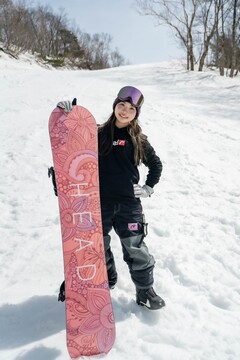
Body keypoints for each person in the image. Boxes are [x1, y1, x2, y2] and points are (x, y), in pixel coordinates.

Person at [56, 86, 165, 310]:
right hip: (98, 202)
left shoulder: (138, 140)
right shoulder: (97, 133)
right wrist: (68, 116)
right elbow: (72, 146)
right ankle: (105, 279)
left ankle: (145, 291)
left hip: (128, 205)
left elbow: (155, 164)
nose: (124, 111)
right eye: (121, 105)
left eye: (131, 109)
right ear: (115, 106)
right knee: (96, 245)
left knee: (135, 248)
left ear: (136, 114)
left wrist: (148, 188)